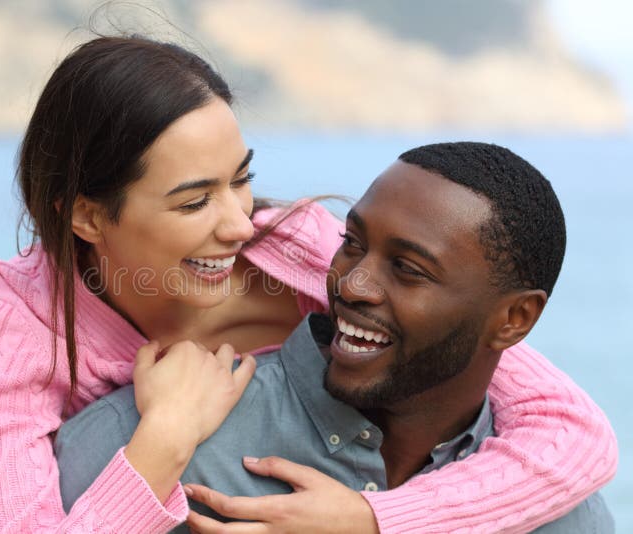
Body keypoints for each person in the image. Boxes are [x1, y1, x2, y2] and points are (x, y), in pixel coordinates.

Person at [0, 35, 617, 533]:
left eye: (241, 179)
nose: (241, 223)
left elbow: (572, 434)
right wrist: (167, 437)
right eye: (193, 200)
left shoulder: (295, 245)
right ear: (89, 215)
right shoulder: (17, 329)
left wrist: (371, 521)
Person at [55, 142, 615, 533]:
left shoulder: (556, 505)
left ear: (514, 320)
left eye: (409, 269)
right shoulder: (149, 438)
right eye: (352, 242)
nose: (351, 282)